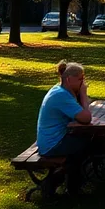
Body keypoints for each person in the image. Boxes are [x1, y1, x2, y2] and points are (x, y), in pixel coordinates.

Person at [36, 60, 95, 194]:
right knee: (89, 142)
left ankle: (74, 181)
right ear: (69, 79)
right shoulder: (61, 95)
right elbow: (86, 118)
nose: (83, 83)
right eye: (80, 79)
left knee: (91, 139)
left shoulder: (61, 90)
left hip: (53, 140)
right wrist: (84, 96)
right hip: (52, 145)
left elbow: (80, 114)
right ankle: (66, 184)